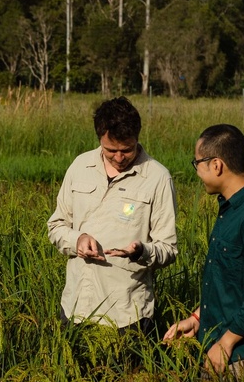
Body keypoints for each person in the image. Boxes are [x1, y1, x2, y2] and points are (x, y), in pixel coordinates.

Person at [163, 124, 244, 381]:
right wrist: (197, 318)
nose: (196, 171)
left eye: (197, 163)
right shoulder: (231, 211)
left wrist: (227, 342)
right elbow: (228, 282)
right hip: (221, 347)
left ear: (216, 165)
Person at [47, 96, 177, 333]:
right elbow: (56, 225)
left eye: (126, 150)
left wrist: (142, 251)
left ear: (137, 138)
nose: (119, 158)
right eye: (111, 150)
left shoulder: (158, 178)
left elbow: (168, 249)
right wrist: (77, 240)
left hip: (128, 315)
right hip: (76, 307)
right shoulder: (80, 166)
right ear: (100, 139)